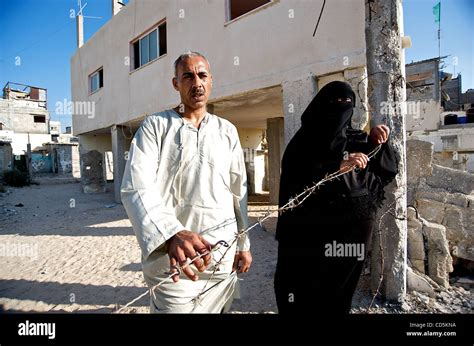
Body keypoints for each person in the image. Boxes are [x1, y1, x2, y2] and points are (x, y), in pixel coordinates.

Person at [121, 51, 252, 313]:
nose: (197, 83)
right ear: (176, 83)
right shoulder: (155, 126)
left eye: (202, 75)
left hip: (220, 259)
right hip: (175, 264)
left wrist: (242, 244)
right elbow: (136, 186)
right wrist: (171, 234)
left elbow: (239, 193)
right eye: (188, 76)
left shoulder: (227, 131)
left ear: (211, 80)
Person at [273, 81, 398, 314]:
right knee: (302, 289)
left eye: (346, 102)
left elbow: (385, 172)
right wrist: (334, 166)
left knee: (339, 294)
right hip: (310, 232)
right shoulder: (304, 142)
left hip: (352, 235)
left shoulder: (357, 138)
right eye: (334, 102)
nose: (341, 107)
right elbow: (294, 175)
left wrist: (378, 142)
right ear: (320, 106)